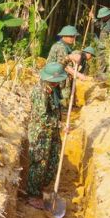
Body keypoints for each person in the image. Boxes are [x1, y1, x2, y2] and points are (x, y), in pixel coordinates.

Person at [25, 62, 68, 210]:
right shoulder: (40, 92)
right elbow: (42, 117)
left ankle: (42, 187)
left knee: (53, 160)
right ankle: (33, 194)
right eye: (57, 80)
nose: (59, 83)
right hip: (41, 133)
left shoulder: (53, 89)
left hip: (52, 132)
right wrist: (61, 125)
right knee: (40, 163)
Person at [46, 25, 80, 106]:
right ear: (64, 36)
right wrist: (77, 74)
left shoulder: (64, 46)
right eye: (71, 36)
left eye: (74, 36)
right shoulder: (61, 47)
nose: (73, 39)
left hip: (57, 77)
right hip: (55, 78)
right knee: (59, 100)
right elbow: (62, 65)